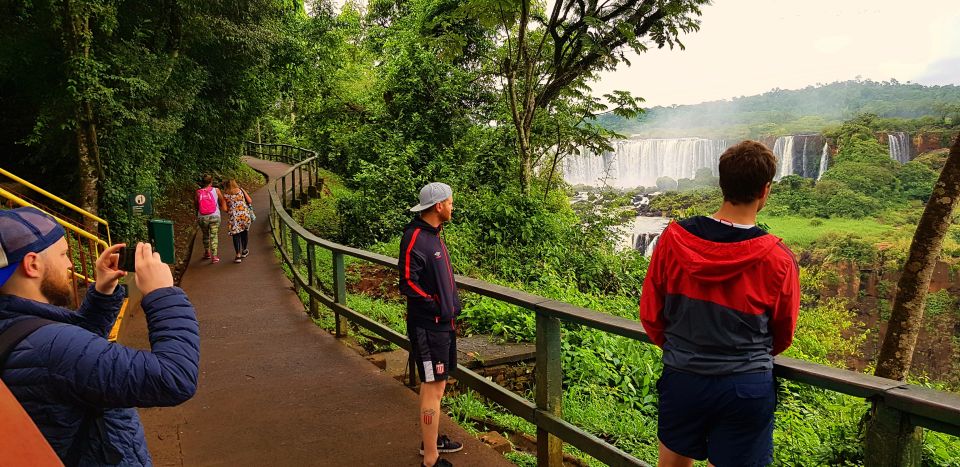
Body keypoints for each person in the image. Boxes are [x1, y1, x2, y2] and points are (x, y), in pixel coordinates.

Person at [639, 140, 800, 467]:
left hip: (683, 377)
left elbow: (651, 315)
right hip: (746, 386)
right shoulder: (778, 259)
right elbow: (784, 333)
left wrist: (684, 351)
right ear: (765, 191)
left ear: (721, 183)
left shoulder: (673, 239)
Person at [0, 207, 200, 466]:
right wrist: (162, 293)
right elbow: (174, 377)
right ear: (32, 264)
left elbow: (78, 362)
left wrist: (103, 292)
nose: (70, 264)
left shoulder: (18, 326)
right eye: (63, 254)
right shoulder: (51, 347)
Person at [398, 182, 463, 467]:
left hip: (443, 324)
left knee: (440, 383)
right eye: (449, 202)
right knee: (432, 386)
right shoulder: (415, 237)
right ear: (438, 206)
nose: (452, 207)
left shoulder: (434, 234)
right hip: (429, 327)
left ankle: (431, 438)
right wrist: (436, 305)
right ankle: (431, 459)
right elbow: (408, 282)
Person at [196, 175, 227, 264]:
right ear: (211, 181)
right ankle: (214, 256)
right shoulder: (216, 190)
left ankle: (207, 253)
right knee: (214, 235)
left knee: (205, 234)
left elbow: (196, 205)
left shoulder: (198, 192)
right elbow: (221, 201)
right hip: (214, 216)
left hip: (202, 217)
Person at [221, 179, 254, 263]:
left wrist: (231, 209)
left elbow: (224, 208)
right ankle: (244, 250)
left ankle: (238, 255)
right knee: (244, 232)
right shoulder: (241, 190)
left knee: (236, 234)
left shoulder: (226, 195)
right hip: (244, 215)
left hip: (234, 217)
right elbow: (249, 201)